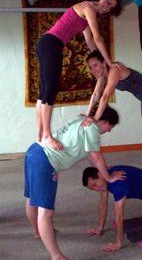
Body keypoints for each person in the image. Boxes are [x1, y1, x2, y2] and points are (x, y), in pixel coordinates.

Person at [24, 106, 126, 260]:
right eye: (110, 126)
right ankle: (56, 256)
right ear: (104, 121)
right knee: (45, 212)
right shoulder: (92, 129)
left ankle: (38, 231)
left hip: (34, 152)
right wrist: (109, 178)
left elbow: (90, 155)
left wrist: (103, 169)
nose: (109, 130)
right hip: (46, 161)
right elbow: (96, 155)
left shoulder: (81, 119)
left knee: (32, 198)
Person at [36, 0, 123, 151]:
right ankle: (47, 135)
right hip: (51, 44)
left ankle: (41, 135)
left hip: (48, 44)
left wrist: (99, 61)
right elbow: (98, 38)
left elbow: (90, 40)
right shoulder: (88, 8)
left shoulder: (85, 14)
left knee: (44, 91)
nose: (107, 8)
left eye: (110, 8)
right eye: (109, 3)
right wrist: (109, 62)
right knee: (50, 89)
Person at [83, 50, 142, 184]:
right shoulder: (102, 77)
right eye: (90, 67)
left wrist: (94, 119)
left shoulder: (114, 71)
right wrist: (88, 116)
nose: (92, 69)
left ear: (104, 63)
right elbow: (95, 96)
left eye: (95, 65)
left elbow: (105, 96)